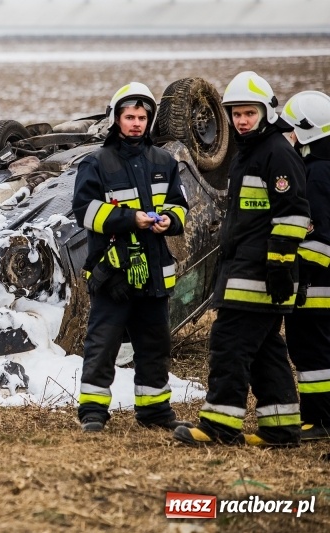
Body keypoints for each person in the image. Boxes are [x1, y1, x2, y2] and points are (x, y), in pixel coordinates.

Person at [174, 72, 311, 447]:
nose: (241, 120)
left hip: (259, 277)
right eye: (235, 114)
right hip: (245, 273)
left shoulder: (277, 154)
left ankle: (219, 425)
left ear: (266, 113)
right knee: (267, 353)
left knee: (229, 347)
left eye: (249, 113)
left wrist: (280, 265)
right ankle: (281, 428)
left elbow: (294, 215)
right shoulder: (247, 154)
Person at [72, 82, 190, 432]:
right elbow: (85, 212)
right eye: (129, 117)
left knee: (155, 346)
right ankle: (93, 413)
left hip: (153, 273)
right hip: (114, 275)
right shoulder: (96, 163)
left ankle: (155, 412)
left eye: (142, 117)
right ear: (116, 119)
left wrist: (169, 220)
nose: (136, 123)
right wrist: (131, 219)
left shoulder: (164, 161)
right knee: (103, 345)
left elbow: (180, 205)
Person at [280, 90, 330, 441]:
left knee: (313, 353)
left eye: (292, 132)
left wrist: (294, 270)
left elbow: (318, 238)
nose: (289, 139)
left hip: (316, 289)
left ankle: (320, 420)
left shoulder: (315, 174)